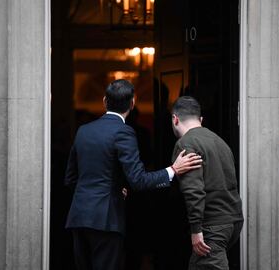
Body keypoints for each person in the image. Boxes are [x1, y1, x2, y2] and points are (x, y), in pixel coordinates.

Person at [64, 80, 203, 270]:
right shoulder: (123, 131)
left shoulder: (84, 131)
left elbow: (71, 178)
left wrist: (98, 193)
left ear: (105, 101)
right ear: (132, 103)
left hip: (79, 217)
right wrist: (173, 170)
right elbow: (138, 180)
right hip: (106, 219)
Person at [170, 96, 244, 270]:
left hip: (212, 225)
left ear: (175, 119)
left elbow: (193, 190)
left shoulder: (186, 144)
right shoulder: (220, 142)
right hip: (232, 221)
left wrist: (196, 229)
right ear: (200, 120)